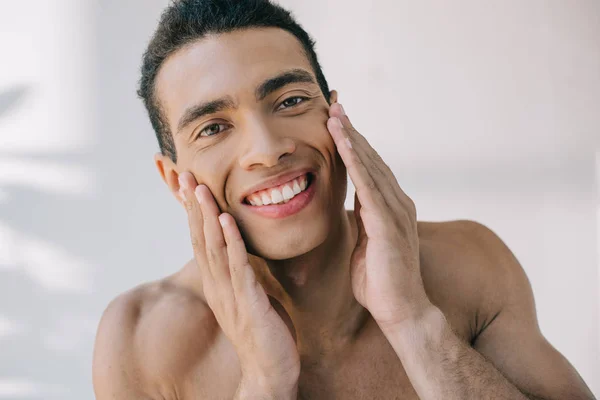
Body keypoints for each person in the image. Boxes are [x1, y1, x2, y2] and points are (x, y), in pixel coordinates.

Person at [92, 1, 596, 399]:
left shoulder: (470, 266)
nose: (267, 150)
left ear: (337, 117)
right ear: (174, 178)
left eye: (291, 101)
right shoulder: (141, 340)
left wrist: (418, 327)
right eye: (213, 128)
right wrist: (264, 384)